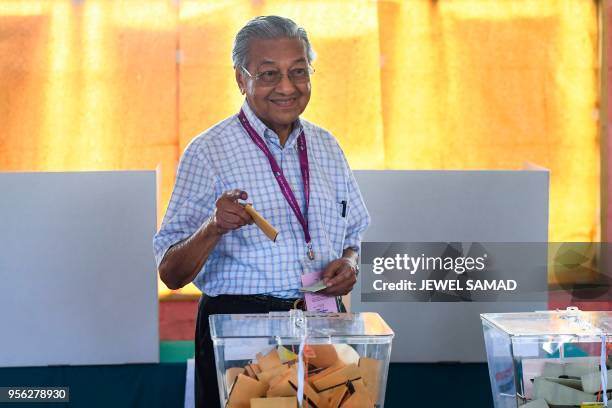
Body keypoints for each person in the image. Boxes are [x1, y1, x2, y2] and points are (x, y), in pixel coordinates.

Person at [153, 15, 370, 407]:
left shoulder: (327, 147)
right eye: (269, 74)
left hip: (320, 323)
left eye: (299, 72)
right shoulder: (209, 153)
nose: (287, 87)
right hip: (241, 333)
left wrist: (350, 263)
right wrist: (213, 227)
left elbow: (353, 234)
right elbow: (169, 272)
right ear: (241, 78)